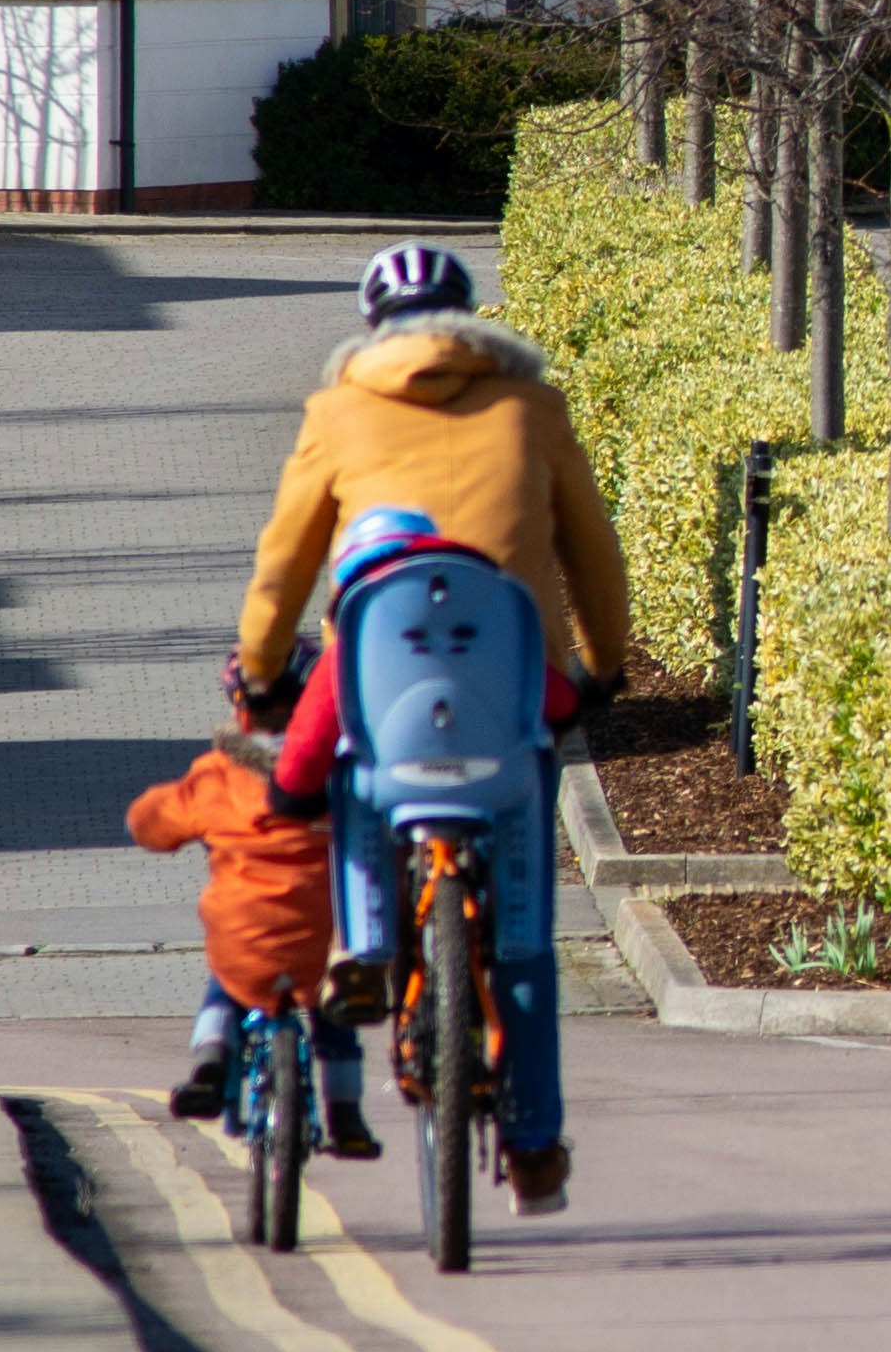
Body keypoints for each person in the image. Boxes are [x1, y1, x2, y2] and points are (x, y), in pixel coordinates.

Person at [270, 502, 592, 1211]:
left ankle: (368, 944)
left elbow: (316, 734)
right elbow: (558, 700)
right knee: (523, 945)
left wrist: (288, 794)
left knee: (350, 775)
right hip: (499, 790)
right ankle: (533, 1139)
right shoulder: (496, 608)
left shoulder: (366, 617)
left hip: (393, 791)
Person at [231, 242, 638, 714]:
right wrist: (603, 663)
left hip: (376, 669)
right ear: (468, 318)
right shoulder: (535, 409)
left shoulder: (335, 414)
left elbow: (287, 558)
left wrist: (261, 666)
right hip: (520, 672)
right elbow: (593, 553)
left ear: (371, 325)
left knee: (327, 778)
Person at [132, 710, 366, 1157]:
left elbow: (151, 824)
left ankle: (211, 1058)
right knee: (333, 1007)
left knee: (227, 981)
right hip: (320, 935)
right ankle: (346, 1112)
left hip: (243, 932)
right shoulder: (342, 768)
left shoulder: (220, 774)